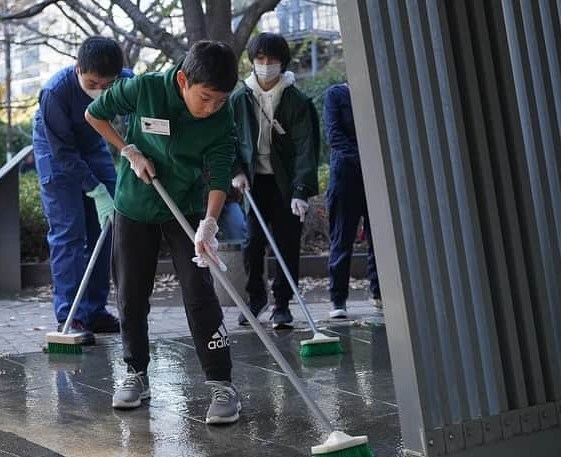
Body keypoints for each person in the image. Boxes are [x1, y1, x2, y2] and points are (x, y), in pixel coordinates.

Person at [85, 41, 241, 424]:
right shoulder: (146, 88)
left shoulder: (222, 115)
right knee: (131, 294)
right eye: (205, 98)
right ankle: (136, 373)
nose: (211, 108)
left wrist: (209, 223)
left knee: (199, 292)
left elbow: (219, 171)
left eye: (220, 101)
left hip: (185, 206)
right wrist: (129, 150)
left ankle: (222, 383)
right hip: (136, 203)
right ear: (184, 79)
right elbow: (95, 113)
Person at [32, 36, 129, 339]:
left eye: (106, 86)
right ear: (77, 69)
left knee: (107, 226)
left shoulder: (127, 81)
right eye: (91, 83)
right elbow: (63, 154)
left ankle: (94, 311)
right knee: (69, 233)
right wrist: (95, 189)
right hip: (55, 151)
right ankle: (70, 316)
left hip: (93, 144)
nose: (99, 91)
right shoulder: (55, 92)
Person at [230, 33, 320, 329]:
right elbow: (226, 138)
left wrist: (301, 190)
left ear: (283, 63)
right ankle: (256, 298)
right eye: (260, 59)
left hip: (286, 183)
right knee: (252, 242)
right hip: (254, 181)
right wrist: (236, 171)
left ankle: (282, 303)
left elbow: (307, 147)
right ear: (252, 61)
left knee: (287, 243)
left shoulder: (297, 100)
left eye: (272, 60)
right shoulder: (239, 97)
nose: (266, 65)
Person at [324, 82, 380, 318]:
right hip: (345, 176)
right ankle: (338, 300)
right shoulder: (335, 94)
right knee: (342, 238)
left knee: (379, 240)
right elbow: (334, 135)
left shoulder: (377, 92)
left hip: (377, 177)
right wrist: (365, 158)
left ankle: (380, 295)